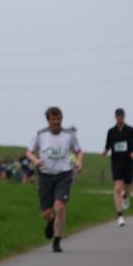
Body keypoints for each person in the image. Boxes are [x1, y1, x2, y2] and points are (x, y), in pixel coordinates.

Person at [26, 107, 83, 253]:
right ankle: (50, 220)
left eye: (58, 119)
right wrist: (35, 160)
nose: (56, 122)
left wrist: (79, 162)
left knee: (59, 206)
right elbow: (29, 152)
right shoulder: (40, 135)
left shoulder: (68, 135)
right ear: (48, 120)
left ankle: (57, 241)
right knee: (46, 212)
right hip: (45, 175)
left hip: (64, 174)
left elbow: (79, 151)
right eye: (53, 119)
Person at [102, 108, 133, 227]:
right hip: (116, 162)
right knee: (118, 188)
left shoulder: (131, 130)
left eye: (121, 116)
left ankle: (126, 197)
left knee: (127, 188)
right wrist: (105, 151)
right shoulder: (111, 131)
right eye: (118, 116)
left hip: (128, 161)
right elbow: (108, 144)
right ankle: (120, 215)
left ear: (124, 117)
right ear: (115, 117)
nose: (120, 118)